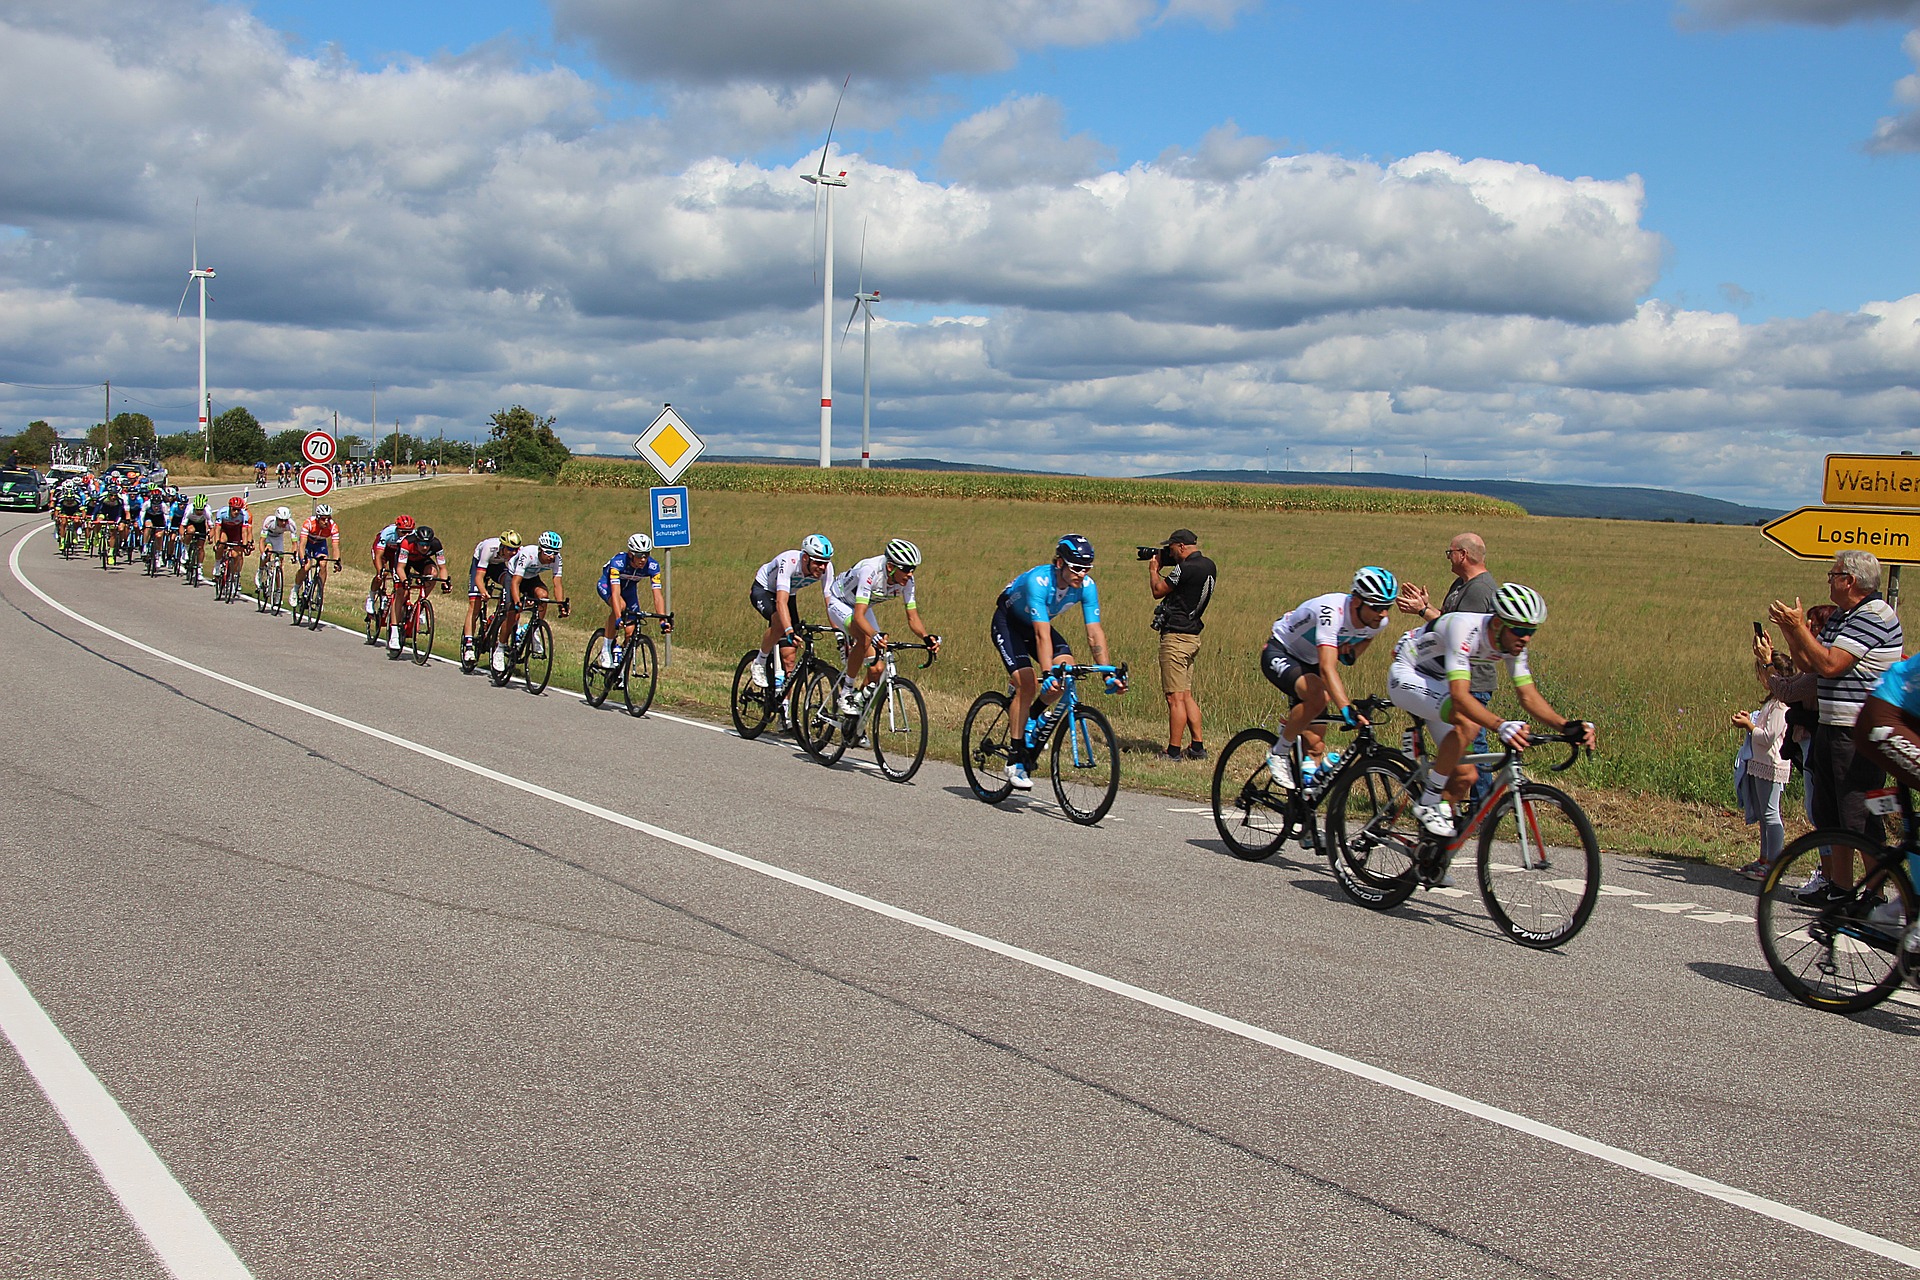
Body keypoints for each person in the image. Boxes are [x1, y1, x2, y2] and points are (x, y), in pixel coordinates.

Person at [1387, 582, 1596, 837]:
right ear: (1498, 623)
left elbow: (1528, 696)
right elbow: (1461, 696)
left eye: (1532, 630)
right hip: (1409, 673)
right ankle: (1429, 801)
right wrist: (1500, 725)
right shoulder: (1464, 628)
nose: (1526, 637)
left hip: (1437, 682)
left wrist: (1565, 726)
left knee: (1465, 777)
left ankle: (1430, 856)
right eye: (1519, 629)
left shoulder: (1512, 643)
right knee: (1468, 722)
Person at [1768, 550, 1903, 904]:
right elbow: (1808, 663)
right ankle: (1840, 888)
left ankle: (1873, 893)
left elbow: (1830, 665)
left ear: (1851, 580)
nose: (1829, 579)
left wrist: (1799, 628)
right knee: (1830, 812)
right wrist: (1791, 631)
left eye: (1833, 574)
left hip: (1857, 731)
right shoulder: (1845, 616)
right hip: (1832, 724)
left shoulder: (1874, 615)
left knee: (1858, 812)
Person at [990, 535, 1126, 791]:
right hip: (1009, 624)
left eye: (1087, 568)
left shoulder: (1086, 586)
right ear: (1059, 563)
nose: (1081, 574)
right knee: (1028, 684)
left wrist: (1107, 673)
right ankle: (1015, 758)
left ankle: (1031, 714)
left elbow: (1094, 632)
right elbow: (1042, 635)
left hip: (1035, 627)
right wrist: (1046, 673)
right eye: (1076, 568)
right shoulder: (1039, 582)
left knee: (1067, 670)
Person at [1263, 567, 1401, 789]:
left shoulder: (1378, 621)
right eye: (1377, 606)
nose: (1383, 614)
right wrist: (1346, 708)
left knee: (1316, 747)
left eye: (1388, 607)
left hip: (1311, 662)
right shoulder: (1331, 611)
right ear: (1357, 601)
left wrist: (1352, 652)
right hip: (1282, 651)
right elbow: (1327, 669)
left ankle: (1304, 807)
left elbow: (1366, 637)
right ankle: (1279, 752)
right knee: (1319, 696)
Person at [826, 539, 940, 715]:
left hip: (863, 607)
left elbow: (912, 617)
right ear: (890, 567)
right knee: (864, 638)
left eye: (913, 569)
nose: (910, 574)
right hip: (840, 602)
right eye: (906, 569)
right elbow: (858, 616)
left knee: (877, 669)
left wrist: (926, 637)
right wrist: (874, 635)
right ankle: (847, 691)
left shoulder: (908, 581)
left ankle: (855, 723)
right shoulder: (870, 571)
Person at [1147, 528, 1216, 761]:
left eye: (1172, 548)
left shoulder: (1184, 568)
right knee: (1186, 695)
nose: (1170, 552)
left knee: (1174, 698)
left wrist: (1154, 570)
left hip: (1176, 638)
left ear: (1182, 546)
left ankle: (1173, 751)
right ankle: (1197, 746)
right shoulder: (1209, 565)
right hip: (1193, 637)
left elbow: (1158, 591)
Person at [1733, 651, 1796, 881]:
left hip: (1772, 764)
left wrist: (1749, 725)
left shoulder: (1780, 705)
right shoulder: (1771, 702)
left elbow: (1769, 736)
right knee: (1763, 813)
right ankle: (1764, 858)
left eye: (1763, 671)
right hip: (1761, 764)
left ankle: (1774, 863)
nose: (1761, 676)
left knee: (1771, 814)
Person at [750, 535, 835, 692]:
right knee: (779, 623)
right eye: (818, 562)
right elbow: (781, 602)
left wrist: (840, 634)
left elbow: (831, 604)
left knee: (789, 659)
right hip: (765, 590)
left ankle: (785, 709)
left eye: (825, 563)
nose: (822, 568)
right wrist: (789, 630)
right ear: (805, 558)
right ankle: (759, 662)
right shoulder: (789, 561)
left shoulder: (827, 569)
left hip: (790, 594)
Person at [494, 531, 569, 674]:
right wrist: (516, 603)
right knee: (513, 614)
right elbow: (515, 583)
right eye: (548, 552)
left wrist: (561, 605)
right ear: (540, 549)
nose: (551, 556)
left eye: (555, 552)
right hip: (514, 576)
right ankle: (500, 648)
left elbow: (557, 584)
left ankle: (532, 630)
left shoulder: (556, 559)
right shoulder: (528, 554)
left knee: (543, 596)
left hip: (531, 578)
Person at [595, 534, 670, 669]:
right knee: (621, 606)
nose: (643, 559)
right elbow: (616, 592)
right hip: (608, 586)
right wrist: (618, 617)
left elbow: (657, 595)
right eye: (639, 555)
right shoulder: (618, 563)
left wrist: (662, 620)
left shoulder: (653, 566)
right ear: (631, 554)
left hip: (629, 591)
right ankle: (606, 648)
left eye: (646, 554)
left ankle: (621, 666)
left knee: (630, 632)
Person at [387, 523, 448, 655]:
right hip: (404, 563)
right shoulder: (407, 542)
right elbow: (400, 569)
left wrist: (444, 583)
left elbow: (442, 568)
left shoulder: (436, 544)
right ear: (417, 541)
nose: (425, 547)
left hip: (421, 562)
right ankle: (394, 632)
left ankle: (420, 604)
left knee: (433, 573)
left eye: (427, 544)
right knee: (401, 592)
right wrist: (405, 581)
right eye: (422, 544)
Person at [464, 530, 521, 664]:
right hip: (480, 565)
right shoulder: (489, 548)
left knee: (508, 585)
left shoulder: (517, 553)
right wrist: (483, 592)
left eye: (515, 549)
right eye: (510, 549)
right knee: (475, 605)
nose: (513, 553)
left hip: (498, 567)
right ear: (502, 546)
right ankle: (468, 646)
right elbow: (479, 577)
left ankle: (496, 617)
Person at [298, 503, 341, 600]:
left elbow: (335, 547)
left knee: (323, 564)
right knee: (307, 566)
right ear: (317, 518)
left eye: (328, 518)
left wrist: (337, 561)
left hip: (320, 543)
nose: (326, 521)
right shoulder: (309, 523)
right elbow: (302, 544)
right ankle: (296, 589)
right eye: (323, 519)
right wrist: (302, 558)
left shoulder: (333, 526)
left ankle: (320, 593)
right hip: (308, 542)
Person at [255, 505, 298, 597]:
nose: (283, 523)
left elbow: (294, 543)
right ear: (276, 518)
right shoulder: (269, 521)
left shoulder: (291, 525)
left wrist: (294, 555)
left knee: (280, 563)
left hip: (278, 538)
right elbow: (262, 540)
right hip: (268, 537)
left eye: (285, 520)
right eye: (280, 520)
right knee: (268, 551)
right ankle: (260, 571)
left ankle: (278, 591)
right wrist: (263, 553)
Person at [212, 494, 251, 588]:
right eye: (234, 509)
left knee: (236, 554)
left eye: (238, 509)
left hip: (236, 531)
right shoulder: (222, 512)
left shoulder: (244, 515)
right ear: (230, 508)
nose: (236, 512)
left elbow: (244, 531)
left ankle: (233, 576)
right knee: (222, 542)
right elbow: (217, 529)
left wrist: (245, 545)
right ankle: (217, 565)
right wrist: (216, 542)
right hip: (225, 530)